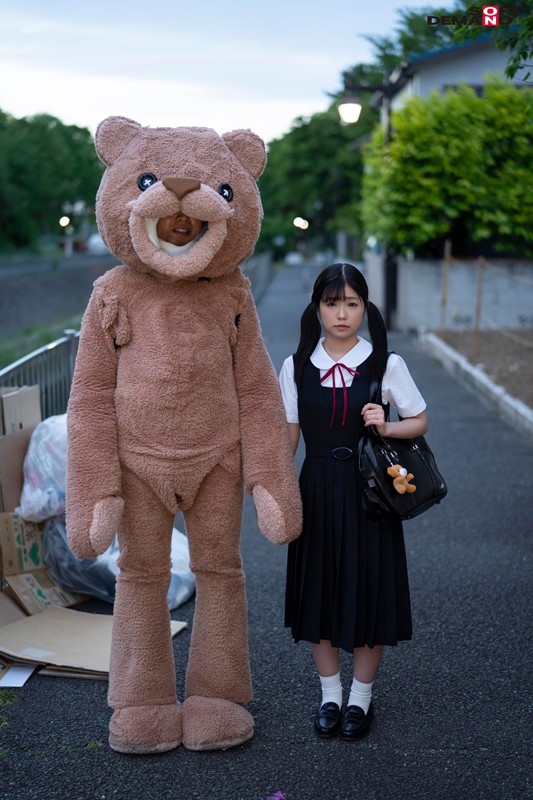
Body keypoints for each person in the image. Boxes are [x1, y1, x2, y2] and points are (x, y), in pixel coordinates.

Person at [279, 262, 428, 740]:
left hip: (370, 494)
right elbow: (288, 435)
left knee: (369, 591)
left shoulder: (386, 363)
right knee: (318, 589)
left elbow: (419, 420)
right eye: (331, 303)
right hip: (317, 487)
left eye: (351, 303)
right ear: (317, 307)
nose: (341, 314)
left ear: (364, 307)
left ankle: (361, 699)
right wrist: (274, 486)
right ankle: (329, 695)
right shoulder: (296, 364)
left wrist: (385, 425)